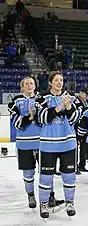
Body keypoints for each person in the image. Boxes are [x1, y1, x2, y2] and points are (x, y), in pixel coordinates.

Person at [8, 77, 64, 210]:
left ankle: (50, 197)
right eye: (26, 83)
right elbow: (17, 123)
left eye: (31, 83)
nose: (29, 85)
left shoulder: (42, 100)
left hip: (42, 143)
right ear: (21, 87)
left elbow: (46, 119)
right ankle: (31, 195)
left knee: (47, 173)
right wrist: (30, 117)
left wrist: (36, 116)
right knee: (28, 173)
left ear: (35, 86)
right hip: (24, 144)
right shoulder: (15, 102)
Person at [35, 71, 82, 219]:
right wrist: (60, 106)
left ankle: (70, 202)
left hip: (68, 144)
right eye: (56, 80)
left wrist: (68, 106)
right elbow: (42, 118)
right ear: (50, 82)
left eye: (61, 80)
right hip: (48, 145)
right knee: (46, 178)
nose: (59, 83)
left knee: (69, 176)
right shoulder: (42, 98)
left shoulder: (72, 97)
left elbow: (75, 118)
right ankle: (43, 204)